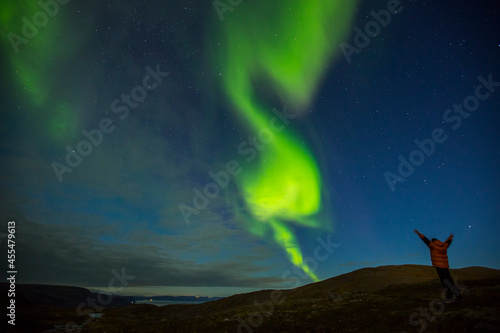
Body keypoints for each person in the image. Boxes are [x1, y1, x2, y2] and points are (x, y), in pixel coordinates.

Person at [414, 229, 462, 299]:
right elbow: (447, 242)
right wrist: (450, 237)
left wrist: (419, 234)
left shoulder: (433, 246)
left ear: (433, 242)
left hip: (439, 266)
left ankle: (450, 295)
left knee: (444, 281)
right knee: (449, 279)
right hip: (445, 266)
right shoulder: (444, 246)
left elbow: (426, 240)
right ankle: (457, 294)